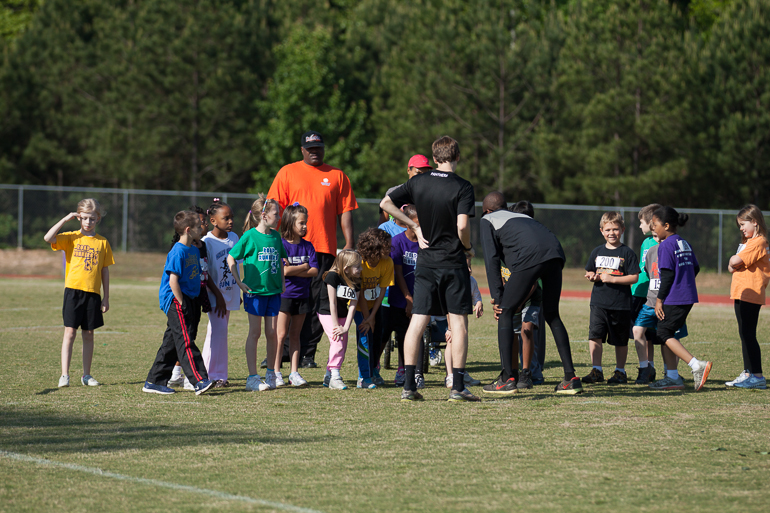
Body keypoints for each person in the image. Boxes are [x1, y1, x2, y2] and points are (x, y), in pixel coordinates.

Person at [381, 135, 478, 402]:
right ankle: (457, 387)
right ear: (457, 156)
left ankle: (409, 386)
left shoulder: (418, 181)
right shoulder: (464, 186)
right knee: (458, 322)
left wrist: (413, 226)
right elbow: (462, 227)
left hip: (425, 261)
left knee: (418, 321)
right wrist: (467, 246)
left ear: (434, 159)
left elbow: (385, 203)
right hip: (453, 261)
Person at [267, 130, 358, 368]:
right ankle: (280, 352)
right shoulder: (287, 172)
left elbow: (345, 212)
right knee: (287, 298)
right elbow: (275, 210)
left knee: (319, 302)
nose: (315, 152)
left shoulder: (337, 175)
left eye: (318, 148)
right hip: (290, 247)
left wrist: (348, 244)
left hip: (324, 249)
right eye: (310, 148)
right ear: (302, 150)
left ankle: (307, 353)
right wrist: (274, 240)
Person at [479, 191, 582, 395]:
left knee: (505, 312)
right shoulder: (522, 217)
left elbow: (491, 259)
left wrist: (498, 298)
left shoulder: (487, 219)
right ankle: (571, 378)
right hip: (555, 253)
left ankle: (507, 378)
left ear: (487, 210)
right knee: (552, 314)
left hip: (530, 257)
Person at [45, 198, 115, 388]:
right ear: (79, 218)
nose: (88, 222)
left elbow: (105, 270)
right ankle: (64, 375)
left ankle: (86, 375)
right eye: (84, 218)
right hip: (73, 292)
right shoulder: (71, 237)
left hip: (93, 294)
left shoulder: (102, 242)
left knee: (89, 334)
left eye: (92, 218)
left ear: (98, 218)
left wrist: (106, 296)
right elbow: (48, 238)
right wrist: (65, 219)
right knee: (69, 333)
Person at [142, 210, 214, 396]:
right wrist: (181, 303)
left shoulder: (193, 249)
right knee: (185, 340)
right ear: (189, 230)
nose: (202, 228)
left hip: (189, 298)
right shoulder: (178, 250)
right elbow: (173, 281)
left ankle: (154, 381)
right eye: (199, 226)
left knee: (172, 342)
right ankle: (199, 380)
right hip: (176, 299)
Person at [647, 206, 712, 391]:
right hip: (686, 296)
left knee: (663, 333)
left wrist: (659, 300)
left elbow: (666, 276)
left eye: (655, 224)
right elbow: (695, 268)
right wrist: (685, 283)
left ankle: (696, 365)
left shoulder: (665, 245)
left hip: (674, 297)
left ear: (666, 225)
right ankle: (673, 378)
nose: (653, 228)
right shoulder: (683, 242)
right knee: (666, 333)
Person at [227, 195, 287, 392]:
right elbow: (231, 258)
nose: (278, 217)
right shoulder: (249, 236)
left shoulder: (276, 236)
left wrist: (282, 282)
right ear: (264, 215)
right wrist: (239, 283)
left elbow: (280, 261)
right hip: (255, 293)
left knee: (272, 333)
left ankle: (271, 373)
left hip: (274, 293)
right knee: (255, 332)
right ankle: (252, 377)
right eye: (275, 214)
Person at [582, 212, 640, 385]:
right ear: (602, 231)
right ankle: (596, 370)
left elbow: (634, 277)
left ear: (622, 230)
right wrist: (591, 275)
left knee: (620, 340)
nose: (611, 233)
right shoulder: (597, 251)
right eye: (608, 229)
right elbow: (589, 270)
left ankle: (620, 372)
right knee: (595, 336)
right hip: (598, 303)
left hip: (620, 304)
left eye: (615, 229)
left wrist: (613, 279)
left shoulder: (627, 253)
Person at [635, 231, 689, 385]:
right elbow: (648, 271)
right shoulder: (651, 251)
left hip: (670, 302)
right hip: (651, 302)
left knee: (670, 336)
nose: (657, 236)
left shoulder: (675, 249)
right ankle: (646, 369)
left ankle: (672, 372)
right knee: (637, 330)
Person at [726, 205, 770, 389]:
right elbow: (731, 267)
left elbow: (734, 262)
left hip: (750, 293)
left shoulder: (758, 242)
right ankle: (747, 373)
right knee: (744, 334)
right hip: (741, 292)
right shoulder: (748, 241)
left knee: (748, 334)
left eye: (743, 224)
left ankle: (757, 376)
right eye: (739, 226)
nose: (741, 229)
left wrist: (733, 260)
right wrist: (734, 262)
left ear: (755, 221)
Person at [277, 202, 318, 387]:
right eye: (301, 223)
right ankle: (275, 372)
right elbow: (283, 272)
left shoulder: (308, 246)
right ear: (289, 222)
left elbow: (315, 271)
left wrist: (293, 269)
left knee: (296, 335)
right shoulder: (281, 244)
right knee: (281, 335)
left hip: (302, 296)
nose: (305, 226)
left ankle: (294, 373)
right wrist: (302, 267)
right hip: (284, 297)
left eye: (305, 222)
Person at [199, 200, 239, 388]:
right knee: (220, 333)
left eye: (231, 217)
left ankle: (206, 373)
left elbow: (235, 266)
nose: (230, 221)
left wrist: (237, 289)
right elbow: (206, 272)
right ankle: (217, 376)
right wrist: (219, 297)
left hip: (229, 292)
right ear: (213, 221)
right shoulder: (207, 242)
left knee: (214, 333)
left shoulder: (235, 238)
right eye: (226, 218)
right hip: (215, 296)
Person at [384, 205, 420, 386]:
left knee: (416, 335)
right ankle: (399, 370)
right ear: (408, 223)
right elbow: (398, 273)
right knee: (400, 334)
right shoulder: (397, 242)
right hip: (400, 299)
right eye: (418, 224)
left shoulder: (425, 242)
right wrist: (408, 299)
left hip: (420, 298)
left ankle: (413, 372)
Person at [354, 228, 394, 389]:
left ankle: (373, 370)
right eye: (388, 247)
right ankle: (363, 377)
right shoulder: (360, 262)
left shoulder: (387, 262)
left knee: (376, 338)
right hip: (357, 307)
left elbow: (382, 291)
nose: (391, 250)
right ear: (376, 247)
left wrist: (373, 317)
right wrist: (367, 318)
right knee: (364, 337)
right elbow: (361, 293)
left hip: (374, 308)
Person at [320, 250, 362, 390]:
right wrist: (336, 325)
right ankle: (335, 377)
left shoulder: (357, 280)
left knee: (341, 346)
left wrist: (345, 327)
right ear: (346, 268)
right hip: (327, 312)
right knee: (337, 340)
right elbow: (332, 303)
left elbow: (353, 305)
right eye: (358, 267)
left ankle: (328, 375)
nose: (361, 269)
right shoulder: (332, 277)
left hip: (343, 314)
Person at [630, 204, 662, 384]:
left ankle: (662, 369)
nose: (640, 226)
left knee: (655, 334)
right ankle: (647, 368)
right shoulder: (645, 242)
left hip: (654, 295)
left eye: (641, 222)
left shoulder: (662, 241)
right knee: (641, 332)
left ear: (651, 223)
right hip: (638, 292)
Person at [378, 155, 433, 237]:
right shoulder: (393, 192)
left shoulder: (430, 194)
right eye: (418, 173)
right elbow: (383, 221)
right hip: (393, 241)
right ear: (408, 170)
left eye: (425, 174)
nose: (421, 177)